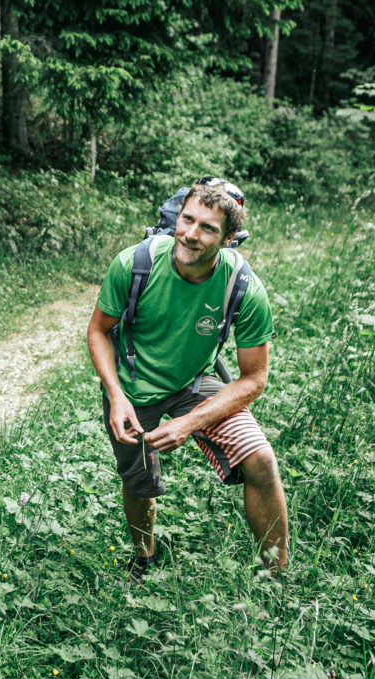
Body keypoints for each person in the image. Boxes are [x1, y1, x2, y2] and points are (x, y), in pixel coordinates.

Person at [86, 180, 289, 579]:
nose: (191, 235)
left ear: (229, 238)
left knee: (261, 459)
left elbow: (254, 378)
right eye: (187, 220)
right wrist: (116, 396)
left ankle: (274, 574)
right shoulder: (134, 263)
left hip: (194, 387)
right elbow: (98, 331)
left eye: (207, 228)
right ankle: (145, 558)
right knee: (139, 479)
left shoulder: (242, 287)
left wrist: (190, 422)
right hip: (132, 388)